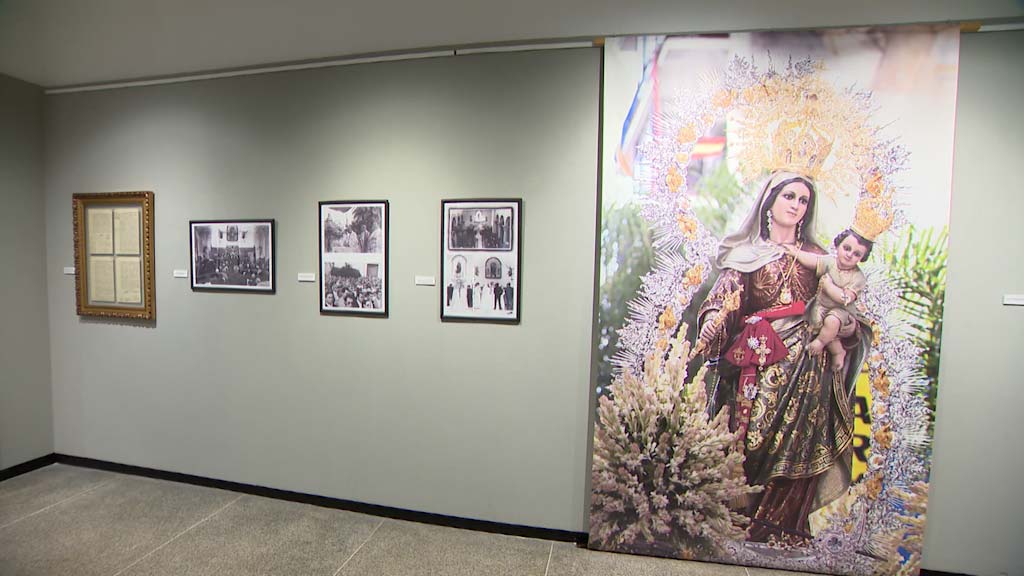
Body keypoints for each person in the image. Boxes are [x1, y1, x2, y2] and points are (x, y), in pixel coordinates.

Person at [695, 170, 871, 543]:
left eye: (803, 200)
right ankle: (744, 520)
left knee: (799, 448)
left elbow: (849, 316)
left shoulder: (822, 259)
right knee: (751, 444)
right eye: (789, 196)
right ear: (770, 202)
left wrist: (847, 328)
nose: (796, 205)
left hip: (810, 370)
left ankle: (786, 527)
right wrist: (712, 321)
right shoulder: (747, 257)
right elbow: (724, 297)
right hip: (759, 367)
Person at [785, 229, 871, 370]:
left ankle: (820, 344)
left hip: (843, 314)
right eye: (846, 248)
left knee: (831, 321)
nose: (849, 255)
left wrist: (828, 286)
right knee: (819, 323)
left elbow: (845, 299)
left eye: (856, 254)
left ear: (862, 258)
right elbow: (813, 260)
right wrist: (795, 252)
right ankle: (838, 351)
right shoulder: (830, 261)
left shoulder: (857, 277)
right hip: (822, 307)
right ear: (838, 245)